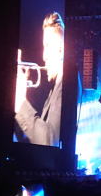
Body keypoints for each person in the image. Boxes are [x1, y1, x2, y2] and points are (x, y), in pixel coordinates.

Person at [15, 12, 64, 146]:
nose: (44, 56)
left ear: (61, 49)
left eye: (47, 45)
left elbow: (49, 142)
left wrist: (20, 102)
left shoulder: (63, 84)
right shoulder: (55, 87)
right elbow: (33, 141)